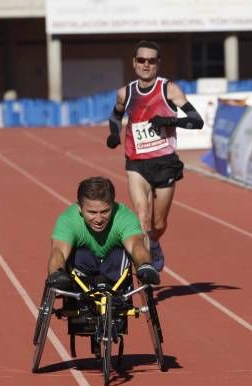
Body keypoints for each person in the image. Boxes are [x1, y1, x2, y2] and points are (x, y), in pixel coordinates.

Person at [106, 40, 204, 272]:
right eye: (141, 60)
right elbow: (115, 116)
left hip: (165, 163)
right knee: (142, 215)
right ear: (134, 63)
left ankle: (156, 242)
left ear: (158, 63)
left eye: (151, 61)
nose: (146, 65)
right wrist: (113, 134)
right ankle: (145, 267)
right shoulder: (125, 93)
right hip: (136, 163)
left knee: (158, 223)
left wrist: (168, 120)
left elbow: (197, 121)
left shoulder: (169, 89)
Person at [46, 176, 160, 299]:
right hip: (81, 273)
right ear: (79, 208)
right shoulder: (68, 220)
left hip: (115, 273)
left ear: (113, 205)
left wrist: (145, 264)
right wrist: (56, 274)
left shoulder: (125, 217)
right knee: (78, 254)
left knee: (121, 253)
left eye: (105, 211)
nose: (99, 220)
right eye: (92, 213)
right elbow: (58, 252)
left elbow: (136, 245)